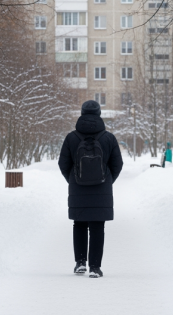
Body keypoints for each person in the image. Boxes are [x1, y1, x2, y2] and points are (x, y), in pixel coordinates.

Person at [58, 100, 123, 278]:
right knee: (97, 227)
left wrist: (73, 180)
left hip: (77, 189)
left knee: (79, 224)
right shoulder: (108, 138)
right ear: (99, 114)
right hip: (101, 189)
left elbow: (63, 163)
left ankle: (80, 263)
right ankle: (95, 267)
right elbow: (117, 164)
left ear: (82, 113)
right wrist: (107, 181)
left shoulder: (71, 137)